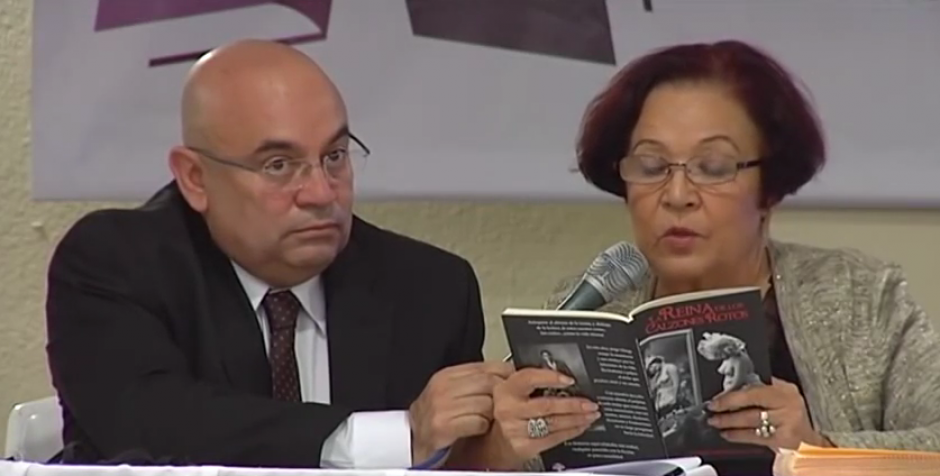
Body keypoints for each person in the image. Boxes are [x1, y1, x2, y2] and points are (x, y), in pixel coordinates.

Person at [475, 40, 940, 475]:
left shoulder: (859, 297)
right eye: (652, 167)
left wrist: (816, 450)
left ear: (769, 188)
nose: (677, 195)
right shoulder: (588, 311)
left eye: (713, 168)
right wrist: (502, 450)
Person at [44, 40, 511, 469]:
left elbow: (451, 460)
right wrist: (394, 436)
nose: (320, 193)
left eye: (334, 156)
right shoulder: (116, 265)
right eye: (279, 165)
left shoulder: (431, 289)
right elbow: (154, 427)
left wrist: (490, 453)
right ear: (195, 178)